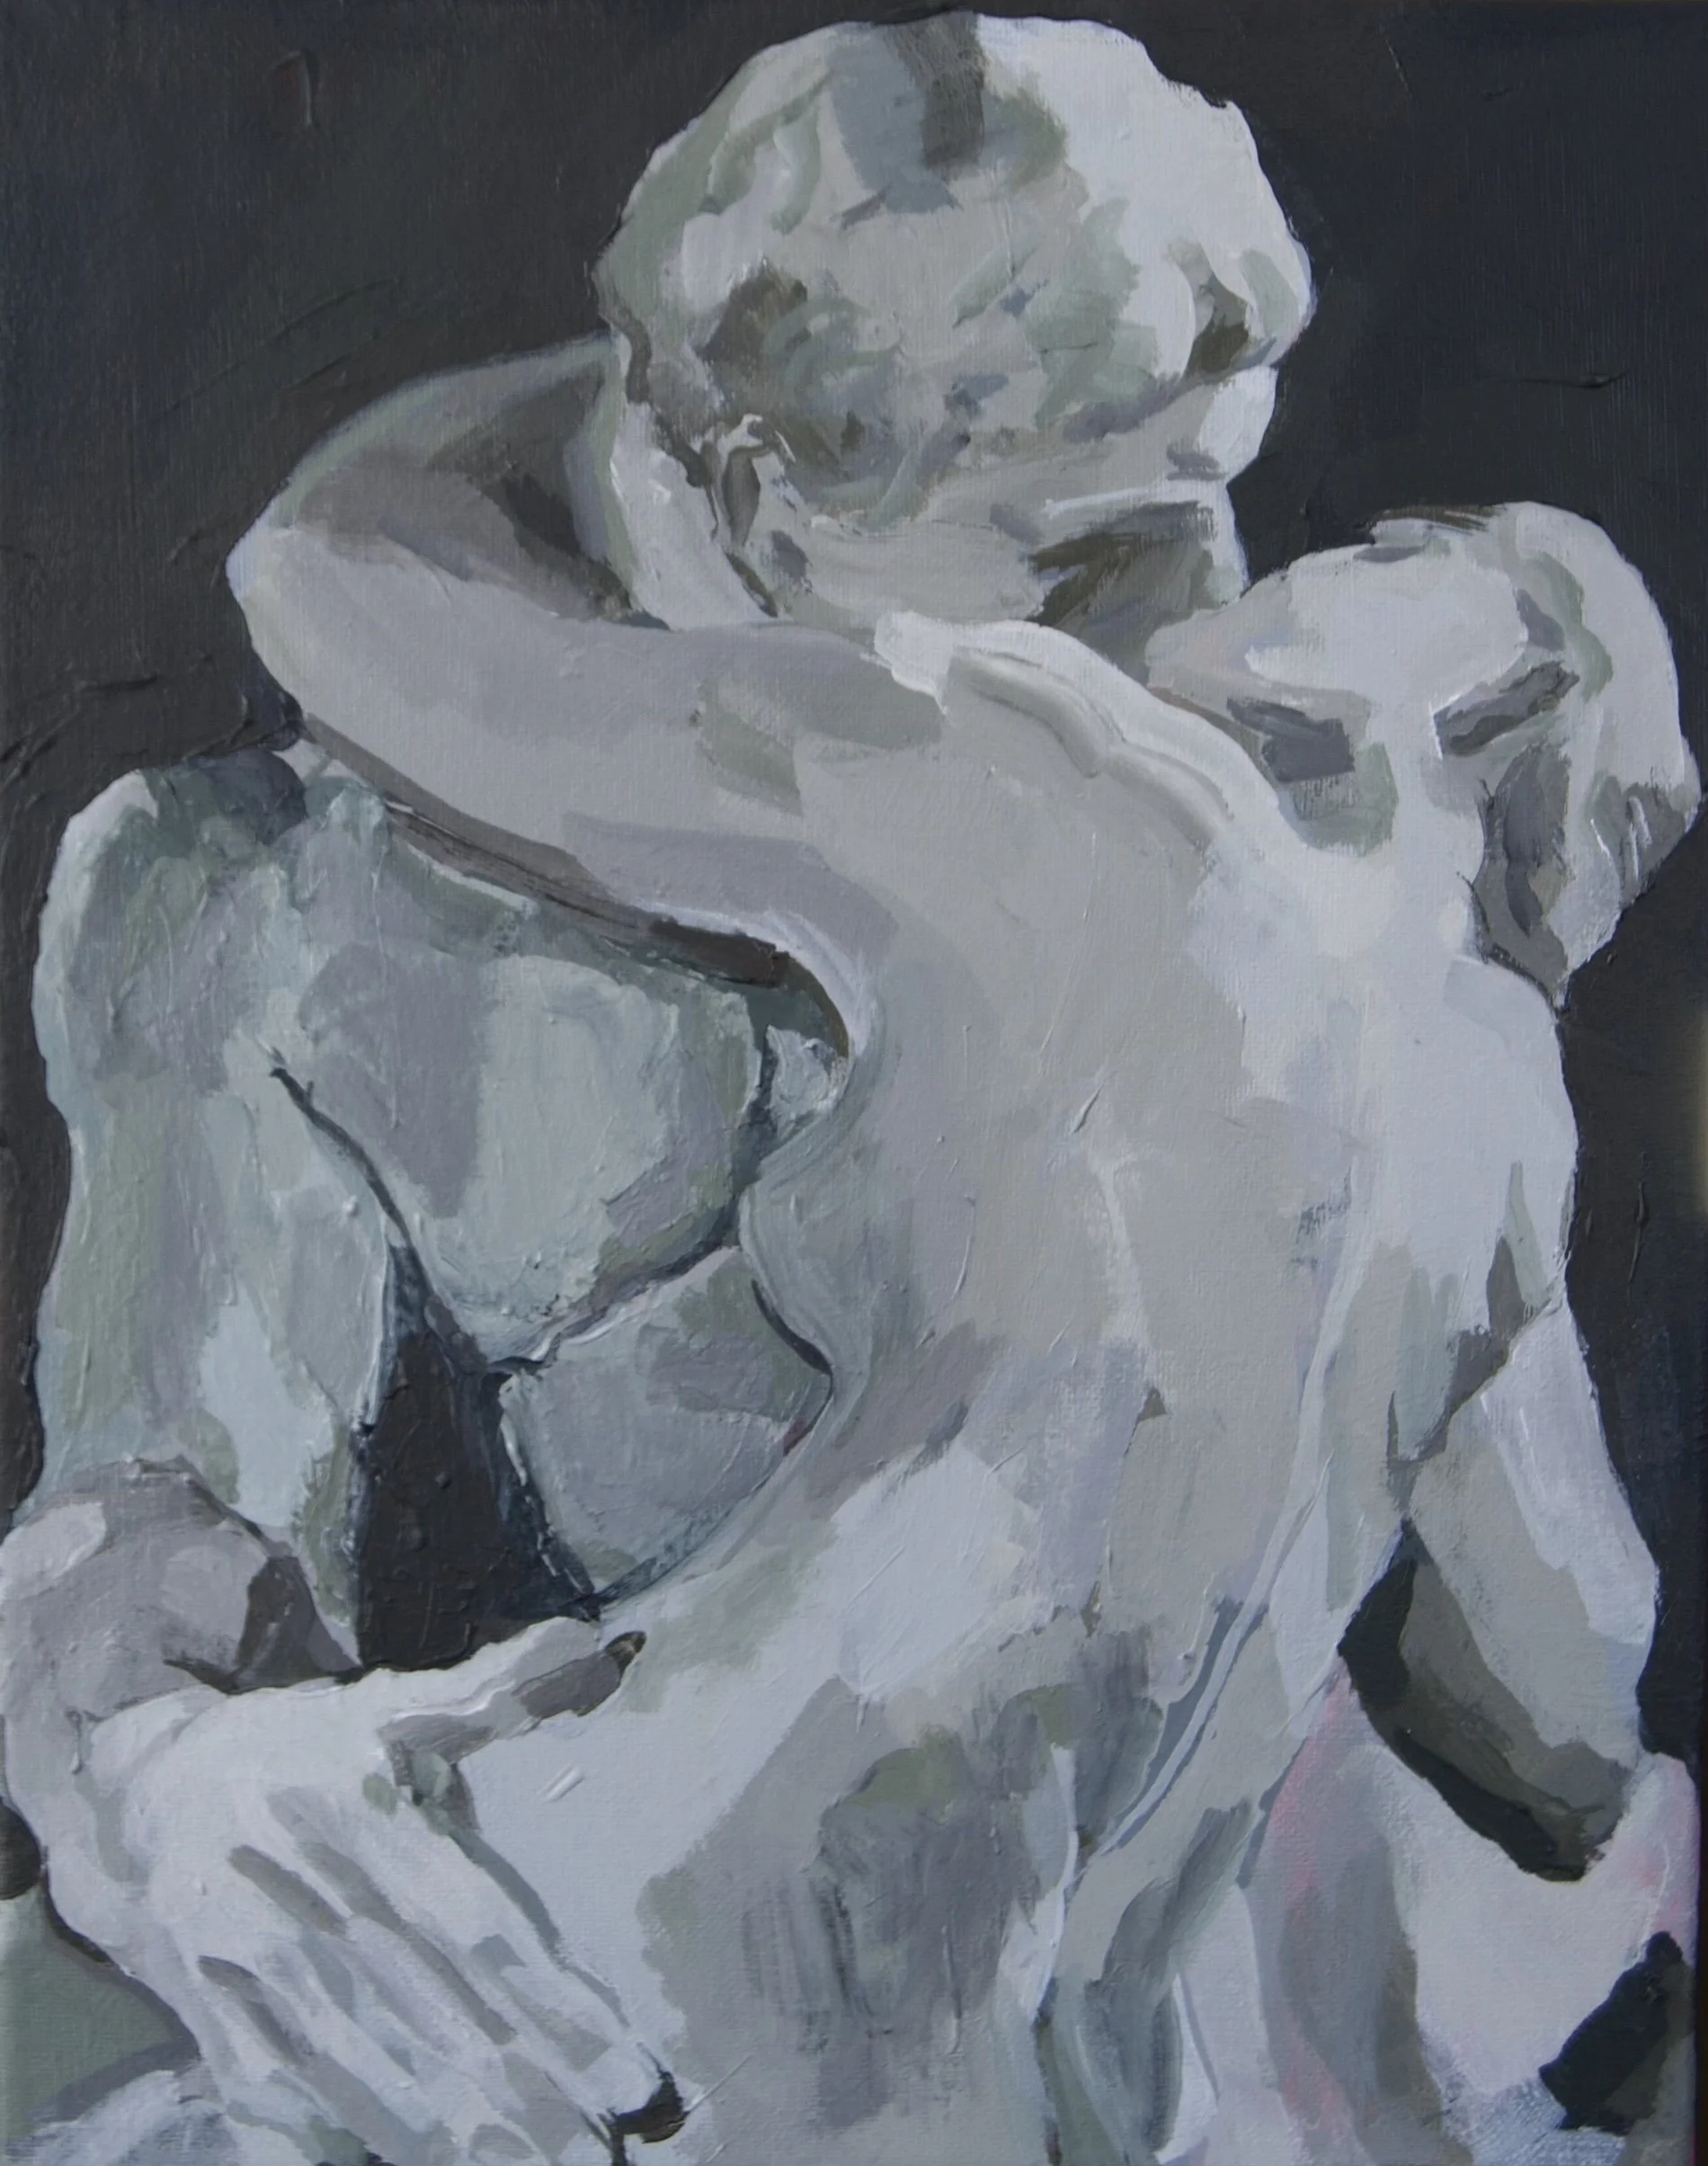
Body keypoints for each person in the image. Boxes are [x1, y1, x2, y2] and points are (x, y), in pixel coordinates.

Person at [0, 16, 1695, 2164]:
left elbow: (1538, 1716)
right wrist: (151, 1776)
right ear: (737, 495)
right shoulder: (258, 908)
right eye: (1082, 567)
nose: (1191, 622)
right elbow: (153, 1512)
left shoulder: (1257, 900)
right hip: (581, 2013)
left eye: (1213, 516)